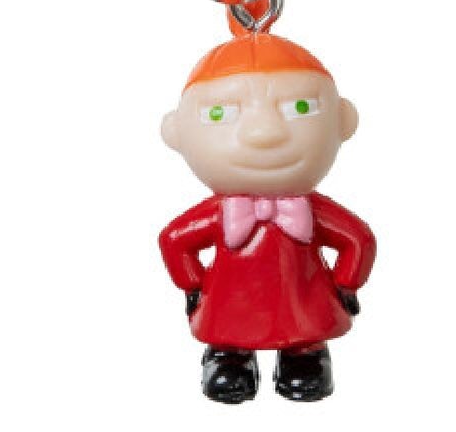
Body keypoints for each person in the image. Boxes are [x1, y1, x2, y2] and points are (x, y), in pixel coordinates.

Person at [157, 21, 375, 403]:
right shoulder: (220, 213)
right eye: (220, 113)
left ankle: (304, 357)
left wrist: (347, 284)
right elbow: (174, 241)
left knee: (305, 338)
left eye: (300, 107)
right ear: (176, 132)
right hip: (229, 305)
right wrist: (191, 286)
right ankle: (228, 357)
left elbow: (359, 241)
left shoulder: (313, 212)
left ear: (343, 121)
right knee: (228, 337)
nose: (264, 134)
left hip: (303, 302)